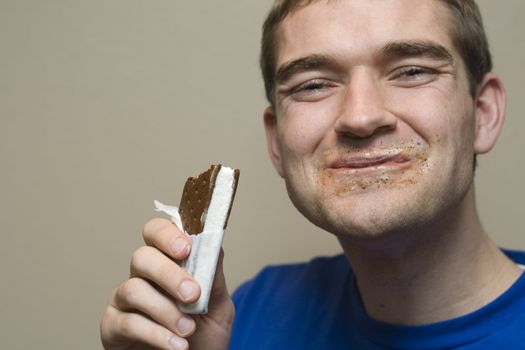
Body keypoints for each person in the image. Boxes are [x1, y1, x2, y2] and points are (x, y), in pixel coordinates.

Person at [100, 0, 525, 349]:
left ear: (483, 114)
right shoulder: (248, 313)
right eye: (313, 85)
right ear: (277, 142)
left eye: (412, 71)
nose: (360, 117)